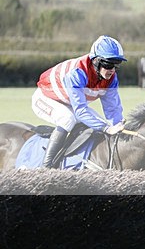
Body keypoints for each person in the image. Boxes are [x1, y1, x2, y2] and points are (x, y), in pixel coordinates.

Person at [31, 35, 127, 168]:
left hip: (69, 102)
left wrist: (117, 126)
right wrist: (106, 128)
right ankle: (45, 168)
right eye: (108, 64)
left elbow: (113, 109)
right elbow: (81, 110)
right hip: (45, 98)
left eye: (116, 65)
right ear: (96, 61)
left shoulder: (111, 79)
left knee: (101, 125)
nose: (112, 70)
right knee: (67, 119)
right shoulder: (77, 73)